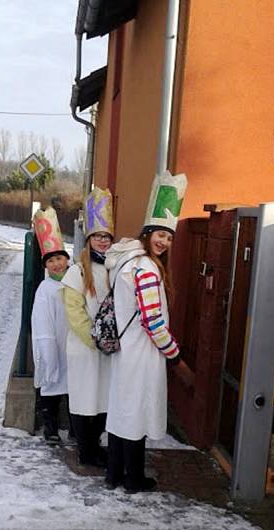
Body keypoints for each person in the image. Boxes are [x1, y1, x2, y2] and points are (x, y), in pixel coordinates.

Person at [104, 173, 186, 493]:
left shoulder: (128, 260)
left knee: (122, 412)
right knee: (134, 415)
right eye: (160, 234)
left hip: (127, 351)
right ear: (148, 232)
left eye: (169, 237)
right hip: (140, 353)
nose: (163, 242)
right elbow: (153, 322)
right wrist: (174, 353)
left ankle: (114, 474)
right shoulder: (147, 269)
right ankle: (133, 479)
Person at [62, 187, 114, 467]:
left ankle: (95, 446)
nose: (102, 241)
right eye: (98, 236)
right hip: (85, 347)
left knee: (103, 401)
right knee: (85, 400)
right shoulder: (77, 270)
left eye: (106, 237)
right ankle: (86, 451)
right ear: (90, 238)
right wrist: (94, 338)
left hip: (108, 348)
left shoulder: (115, 268)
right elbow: (74, 311)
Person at [31, 207, 70, 444]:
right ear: (46, 265)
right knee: (52, 384)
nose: (56, 264)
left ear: (67, 259)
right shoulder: (45, 290)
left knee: (74, 387)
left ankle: (76, 430)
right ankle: (51, 427)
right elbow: (42, 321)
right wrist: (48, 348)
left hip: (73, 342)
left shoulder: (76, 280)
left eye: (59, 258)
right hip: (54, 341)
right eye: (51, 260)